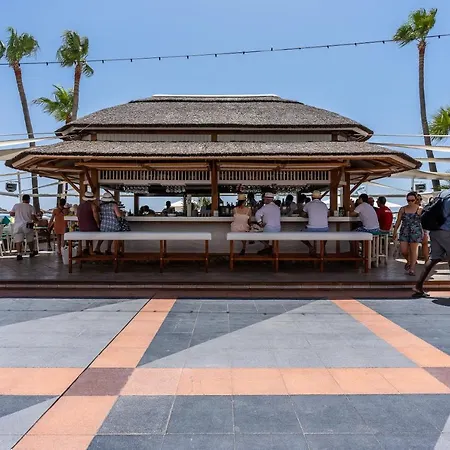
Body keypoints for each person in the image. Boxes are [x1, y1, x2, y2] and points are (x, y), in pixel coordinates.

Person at [414, 190, 450, 296]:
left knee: (434, 258)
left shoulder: (443, 193)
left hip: (434, 230)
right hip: (446, 231)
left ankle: (418, 286)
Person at [392, 192, 423, 276]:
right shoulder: (403, 209)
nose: (410, 202)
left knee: (414, 250)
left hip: (416, 231)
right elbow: (398, 221)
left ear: (416, 200)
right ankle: (409, 261)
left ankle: (412, 269)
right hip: (404, 231)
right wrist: (394, 232)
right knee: (403, 250)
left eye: (412, 200)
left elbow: (423, 221)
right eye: (408, 200)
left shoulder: (420, 209)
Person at [9, 194, 38, 261]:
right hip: (27, 225)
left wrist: (18, 214)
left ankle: (19, 254)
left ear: (22, 199)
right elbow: (33, 217)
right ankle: (31, 252)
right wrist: (37, 220)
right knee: (30, 239)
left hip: (18, 225)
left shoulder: (16, 205)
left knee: (18, 241)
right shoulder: (31, 207)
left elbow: (11, 214)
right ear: (29, 199)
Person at [301, 190, 330, 255]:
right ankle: (323, 247)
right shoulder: (324, 205)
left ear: (312, 197)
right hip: (324, 229)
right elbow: (328, 215)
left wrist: (308, 214)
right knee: (325, 232)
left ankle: (311, 247)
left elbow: (302, 214)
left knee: (300, 235)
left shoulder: (308, 204)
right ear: (320, 197)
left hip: (311, 229)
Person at [77, 191, 100, 255]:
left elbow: (77, 215)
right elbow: (96, 217)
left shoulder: (80, 206)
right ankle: (91, 250)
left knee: (88, 230)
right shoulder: (93, 206)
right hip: (91, 227)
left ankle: (86, 248)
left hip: (81, 227)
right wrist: (98, 224)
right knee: (94, 229)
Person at [416, 194, 430, 262]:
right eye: (417, 199)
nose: (419, 201)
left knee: (424, 244)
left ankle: (426, 260)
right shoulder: (420, 208)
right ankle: (413, 260)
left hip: (422, 228)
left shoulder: (423, 208)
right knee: (413, 245)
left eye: (420, 199)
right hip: (415, 228)